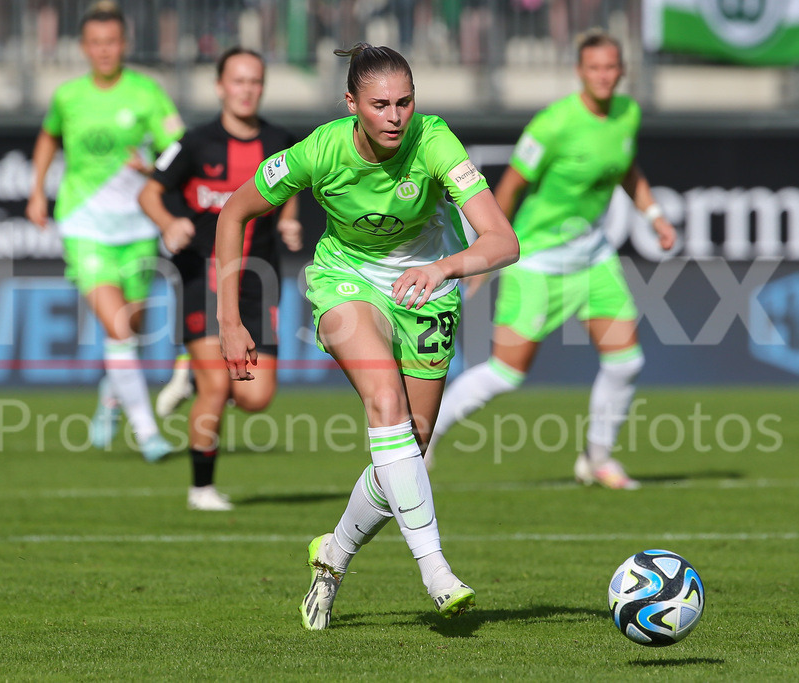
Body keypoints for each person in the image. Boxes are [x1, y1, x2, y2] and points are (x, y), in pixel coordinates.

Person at [215, 43, 519, 629]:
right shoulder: (320, 150)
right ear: (351, 103)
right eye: (380, 104)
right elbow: (234, 213)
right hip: (344, 281)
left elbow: (502, 241)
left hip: (427, 290)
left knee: (410, 443)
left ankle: (333, 555)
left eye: (405, 102)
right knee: (385, 405)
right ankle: (435, 569)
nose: (396, 116)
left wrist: (442, 268)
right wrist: (230, 321)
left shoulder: (435, 142)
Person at [426, 30, 676, 489]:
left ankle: (597, 460)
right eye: (594, 68)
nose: (603, 75)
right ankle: (424, 436)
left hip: (594, 259)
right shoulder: (553, 124)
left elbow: (626, 168)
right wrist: (486, 250)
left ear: (623, 71)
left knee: (626, 362)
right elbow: (510, 186)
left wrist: (654, 214)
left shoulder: (627, 113)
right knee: (505, 374)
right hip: (538, 263)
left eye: (611, 67)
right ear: (580, 72)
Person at [138, 47, 302, 511]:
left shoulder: (281, 141)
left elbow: (292, 188)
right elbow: (150, 193)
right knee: (218, 386)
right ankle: (201, 489)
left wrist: (288, 219)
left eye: (255, 82)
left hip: (259, 280)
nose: (247, 90)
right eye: (238, 81)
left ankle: (188, 377)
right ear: (220, 86)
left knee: (255, 396)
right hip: (203, 278)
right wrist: (169, 223)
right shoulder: (194, 143)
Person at [26, 1, 185, 462]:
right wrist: (37, 190)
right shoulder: (68, 96)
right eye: (95, 43)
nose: (104, 51)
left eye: (111, 42)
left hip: (137, 226)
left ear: (124, 44)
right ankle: (147, 432)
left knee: (130, 329)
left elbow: (179, 148)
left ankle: (113, 388)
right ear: (83, 47)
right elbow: (48, 137)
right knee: (117, 326)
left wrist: (155, 165)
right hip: (84, 224)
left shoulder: (146, 93)